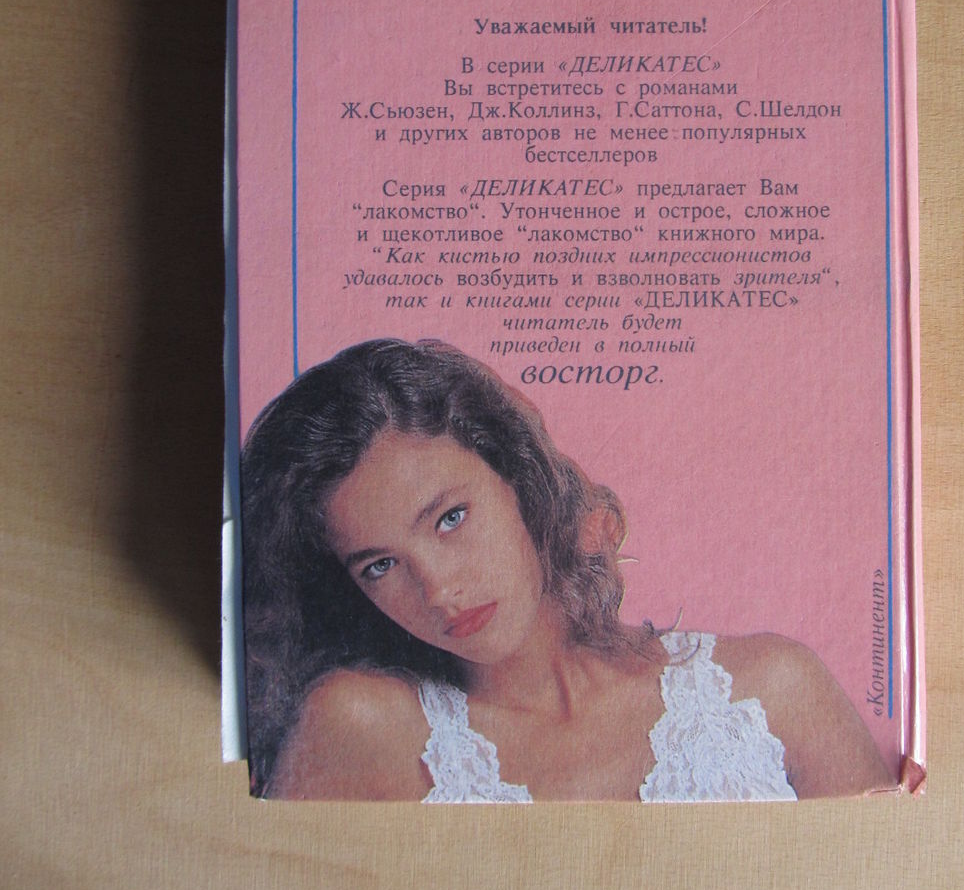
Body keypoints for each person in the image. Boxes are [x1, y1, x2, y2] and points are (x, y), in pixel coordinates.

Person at [240, 338, 891, 801]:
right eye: (380, 565)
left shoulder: (771, 691)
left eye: (450, 518)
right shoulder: (364, 726)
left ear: (519, 483)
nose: (438, 589)